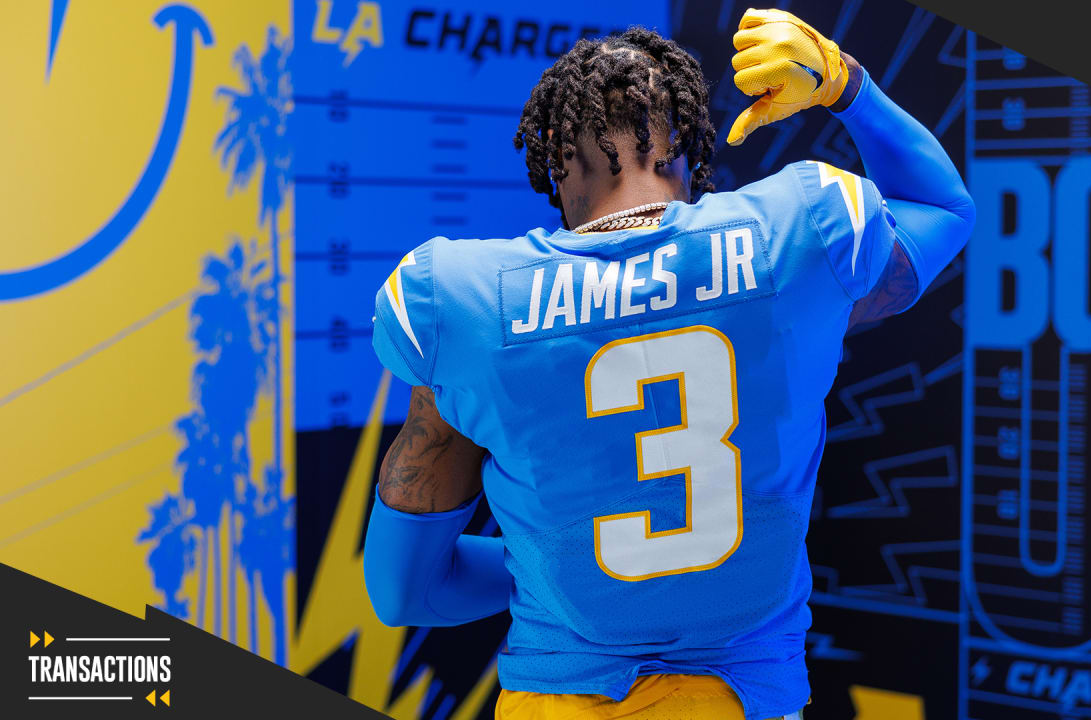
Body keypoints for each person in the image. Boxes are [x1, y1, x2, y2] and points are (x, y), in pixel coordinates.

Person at [362, 8, 974, 719]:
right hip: (740, 700)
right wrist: (845, 84)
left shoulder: (460, 302)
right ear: (685, 141)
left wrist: (561, 557)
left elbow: (404, 592)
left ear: (554, 145)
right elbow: (941, 207)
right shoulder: (798, 236)